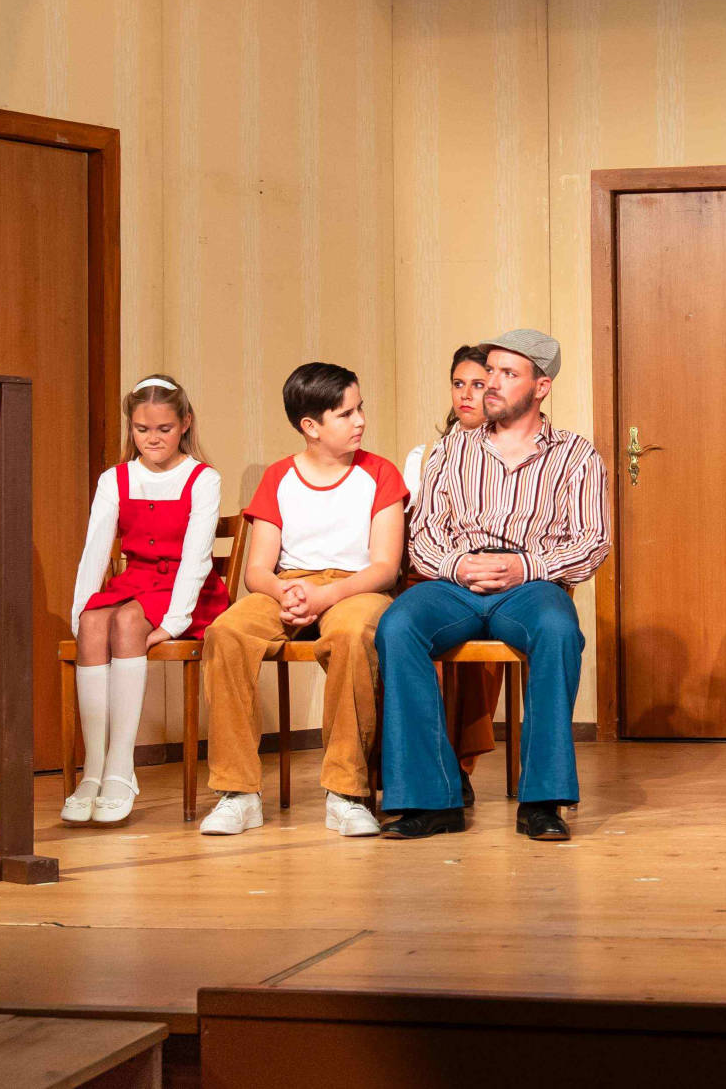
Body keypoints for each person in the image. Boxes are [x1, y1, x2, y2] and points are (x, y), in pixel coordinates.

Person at [376, 329, 610, 842]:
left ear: (541, 387)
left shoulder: (576, 456)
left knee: (559, 630)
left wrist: (526, 566)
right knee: (397, 625)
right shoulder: (451, 450)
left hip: (531, 584)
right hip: (456, 581)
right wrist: (458, 565)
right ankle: (432, 800)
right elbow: (424, 534)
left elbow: (593, 543)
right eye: (491, 373)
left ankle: (542, 801)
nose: (492, 384)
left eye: (508, 374)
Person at [200, 364, 403, 838]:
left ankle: (345, 793)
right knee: (226, 632)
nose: (360, 421)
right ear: (310, 426)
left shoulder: (380, 473)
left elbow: (385, 567)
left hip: (356, 587)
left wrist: (326, 595)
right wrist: (285, 592)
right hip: (291, 585)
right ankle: (238, 793)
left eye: (360, 409)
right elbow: (257, 570)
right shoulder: (279, 476)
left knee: (352, 635)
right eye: (346, 414)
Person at [67, 375, 230, 826]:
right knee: (95, 621)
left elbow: (198, 557)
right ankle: (93, 769)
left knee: (125, 622)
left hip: (184, 588)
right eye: (142, 429)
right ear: (131, 428)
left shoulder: (203, 478)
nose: (152, 438)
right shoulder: (115, 479)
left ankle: (121, 766)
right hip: (136, 581)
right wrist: (80, 612)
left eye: (163, 429)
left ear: (185, 424)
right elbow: (95, 549)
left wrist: (175, 621)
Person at [402, 344, 501, 804]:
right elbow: (414, 528)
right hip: (431, 571)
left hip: (486, 576)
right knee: (400, 629)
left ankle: (458, 763)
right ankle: (404, 767)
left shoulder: (512, 452)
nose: (466, 395)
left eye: (478, 385)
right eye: (458, 384)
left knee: (475, 638)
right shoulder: (426, 455)